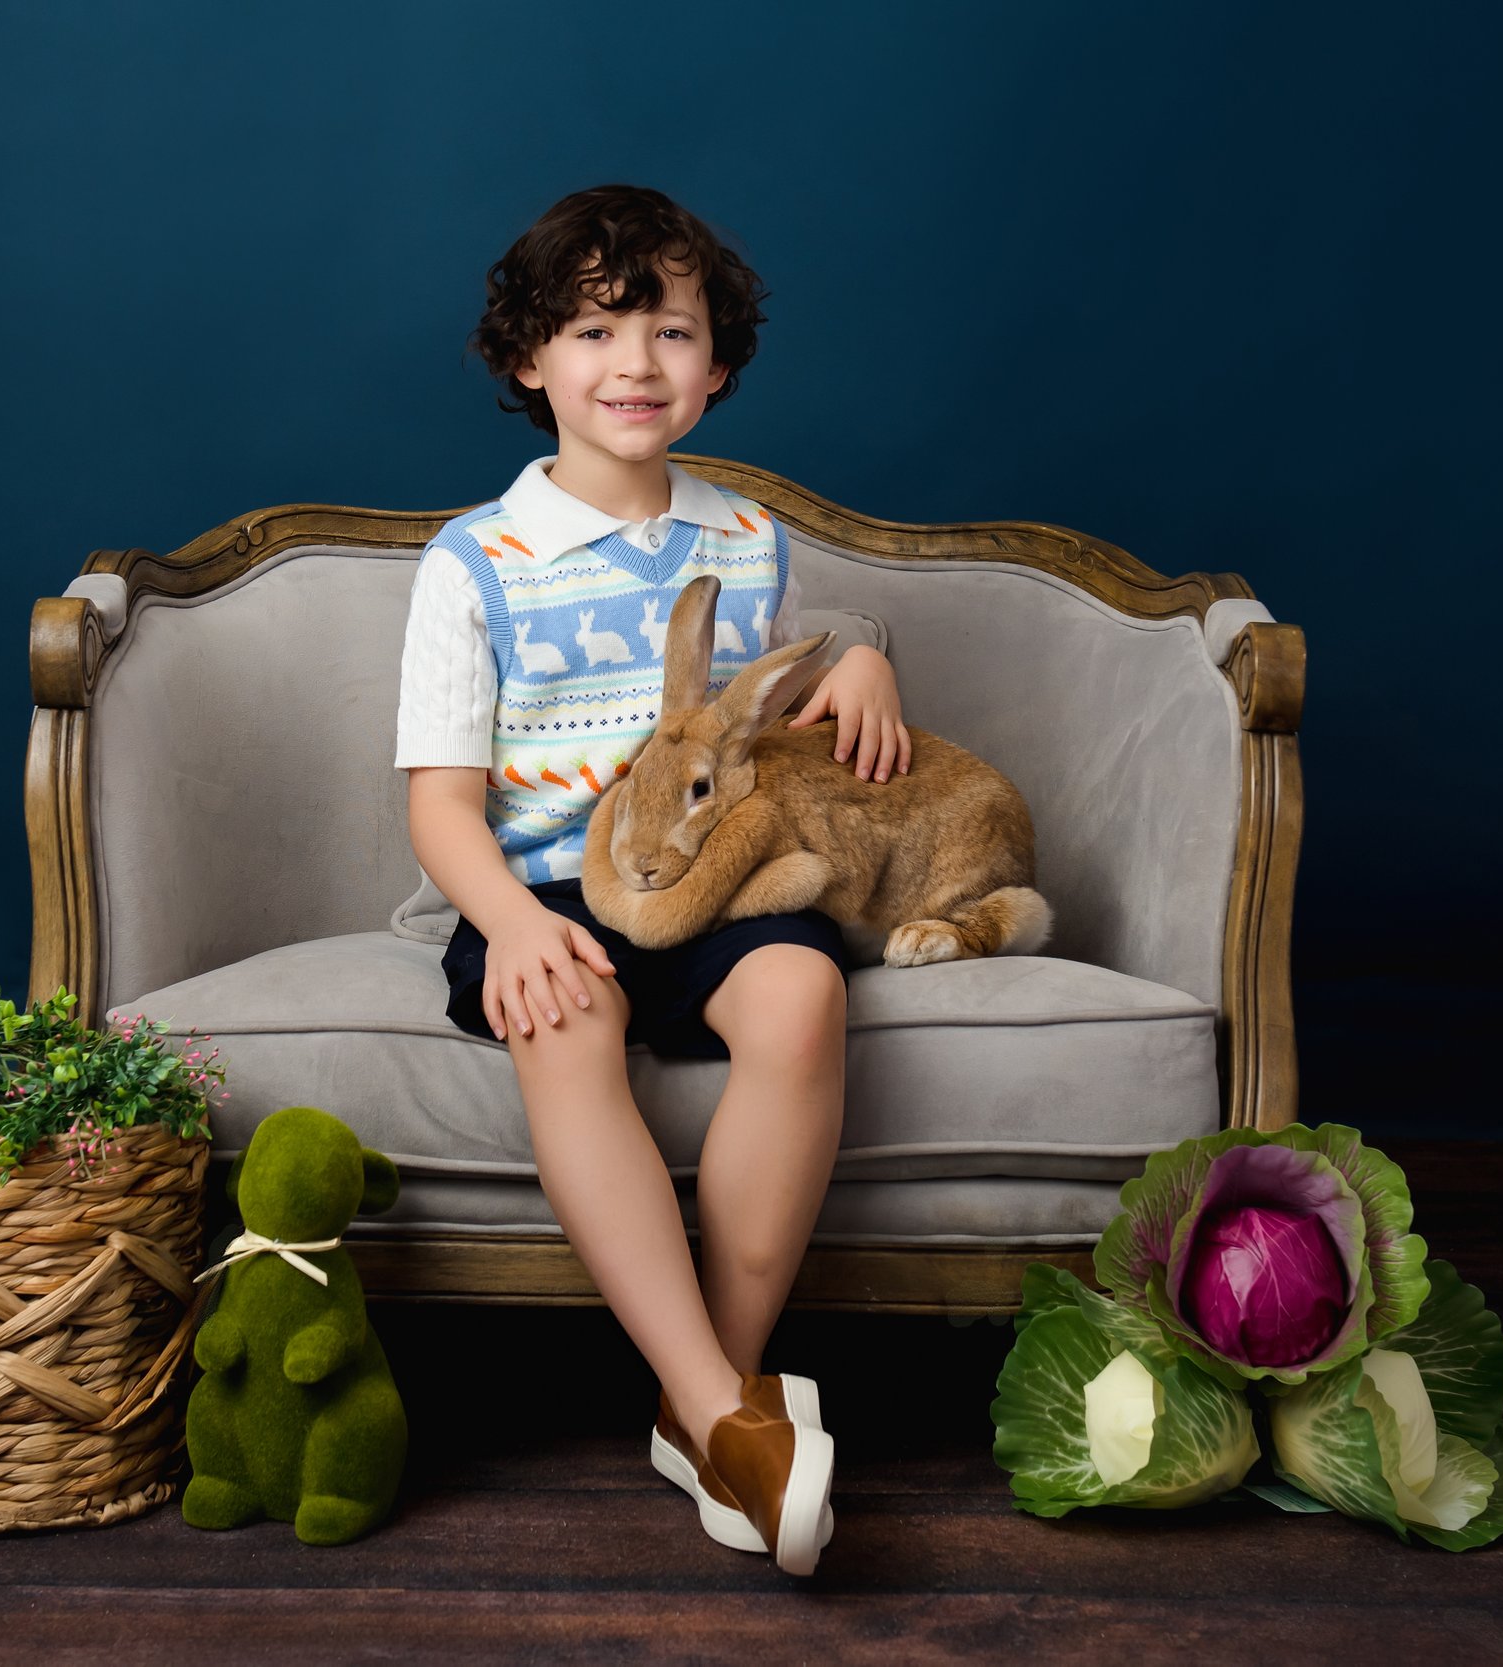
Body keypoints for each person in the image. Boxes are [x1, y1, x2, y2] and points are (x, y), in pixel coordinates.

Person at [392, 184, 909, 1576]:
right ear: (531, 359)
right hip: (555, 885)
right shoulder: (472, 566)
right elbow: (438, 803)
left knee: (802, 996)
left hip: (721, 889)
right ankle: (715, 1403)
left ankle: (712, 1403)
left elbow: (762, 698)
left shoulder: (744, 541)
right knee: (569, 1018)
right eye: (596, 328)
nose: (634, 364)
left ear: (717, 364)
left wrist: (857, 659)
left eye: (671, 331)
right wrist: (504, 922)